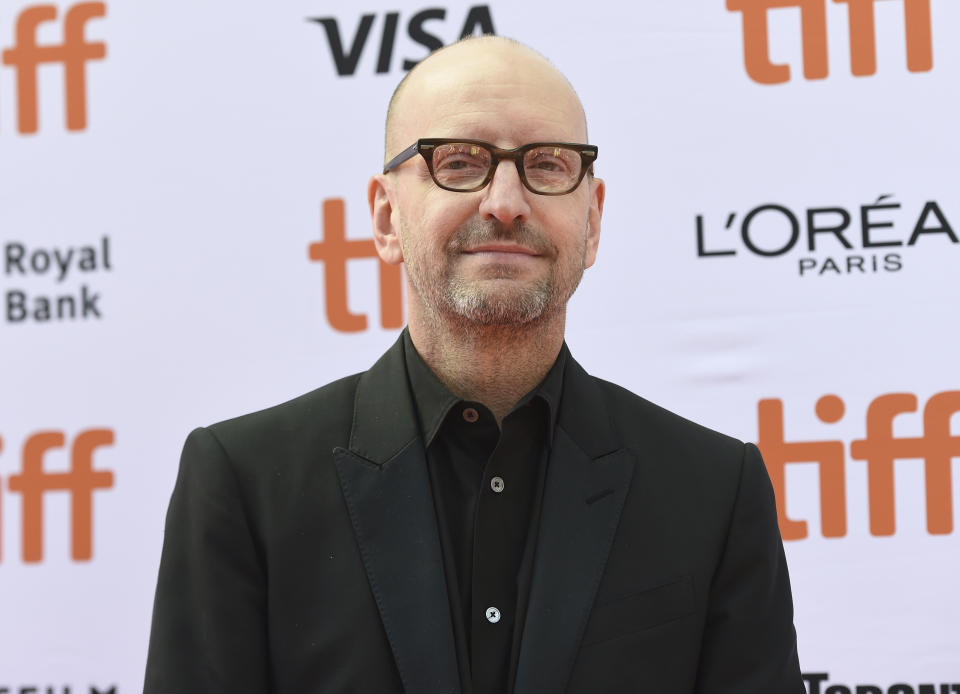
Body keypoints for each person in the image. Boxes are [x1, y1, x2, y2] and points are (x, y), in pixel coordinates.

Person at [144, 36, 803, 694]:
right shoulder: (244, 483)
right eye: (459, 162)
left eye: (547, 165)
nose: (505, 201)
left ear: (593, 219)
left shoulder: (715, 492)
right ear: (384, 217)